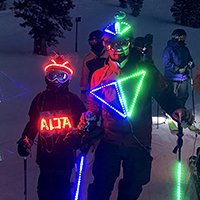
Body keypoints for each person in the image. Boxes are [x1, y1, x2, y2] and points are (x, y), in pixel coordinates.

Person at [78, 11, 194, 200]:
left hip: (138, 141)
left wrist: (176, 108)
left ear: (130, 43)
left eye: (123, 42)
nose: (118, 48)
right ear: (106, 44)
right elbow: (94, 102)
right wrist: (89, 117)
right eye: (112, 43)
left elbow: (164, 94)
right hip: (109, 140)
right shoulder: (99, 74)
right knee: (100, 186)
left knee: (131, 189)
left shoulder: (145, 69)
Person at [17, 55, 86, 200]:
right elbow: (33, 123)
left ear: (67, 78)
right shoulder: (40, 99)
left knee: (62, 187)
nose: (55, 80)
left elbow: (83, 124)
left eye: (60, 76)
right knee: (45, 186)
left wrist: (79, 138)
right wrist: (26, 140)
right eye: (52, 75)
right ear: (46, 77)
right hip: (45, 153)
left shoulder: (73, 101)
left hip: (65, 153)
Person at [163, 28, 195, 107]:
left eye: (184, 37)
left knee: (183, 95)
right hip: (172, 77)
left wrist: (190, 63)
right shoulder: (169, 49)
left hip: (183, 77)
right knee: (172, 96)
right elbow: (166, 63)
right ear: (176, 37)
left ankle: (180, 110)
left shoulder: (185, 49)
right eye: (181, 37)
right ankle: (170, 111)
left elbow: (189, 59)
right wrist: (177, 69)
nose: (183, 39)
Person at [80, 30, 109, 104]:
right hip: (94, 91)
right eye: (91, 42)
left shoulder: (109, 56)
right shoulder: (88, 58)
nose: (93, 44)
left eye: (95, 41)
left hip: (109, 90)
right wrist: (83, 91)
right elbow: (85, 76)